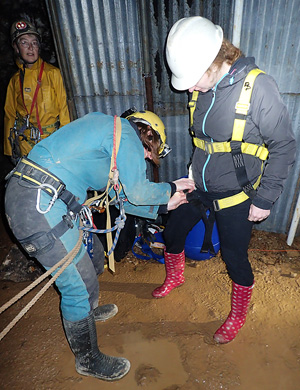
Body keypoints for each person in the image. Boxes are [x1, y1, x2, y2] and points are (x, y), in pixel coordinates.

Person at [4, 110, 195, 381]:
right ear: (147, 135)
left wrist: (164, 202)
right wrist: (170, 188)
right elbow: (138, 191)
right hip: (39, 205)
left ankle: (87, 313)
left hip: (38, 198)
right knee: (76, 286)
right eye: (150, 152)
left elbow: (124, 196)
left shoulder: (110, 137)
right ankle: (88, 359)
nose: (147, 158)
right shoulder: (125, 134)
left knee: (90, 261)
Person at [152, 16, 296, 344]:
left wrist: (266, 197)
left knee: (234, 256)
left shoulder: (258, 88)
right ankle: (175, 277)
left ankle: (238, 313)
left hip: (238, 194)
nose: (189, 88)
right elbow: (205, 142)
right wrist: (190, 174)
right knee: (173, 230)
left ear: (214, 62)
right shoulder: (205, 89)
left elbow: (284, 146)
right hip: (199, 186)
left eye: (192, 78)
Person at [4, 19, 70, 164]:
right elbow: (9, 115)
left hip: (52, 143)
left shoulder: (52, 74)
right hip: (25, 145)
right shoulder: (15, 81)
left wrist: (65, 144)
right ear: (16, 48)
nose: (30, 48)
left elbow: (65, 111)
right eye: (24, 43)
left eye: (34, 43)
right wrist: (10, 150)